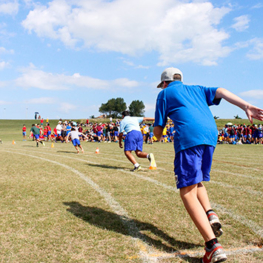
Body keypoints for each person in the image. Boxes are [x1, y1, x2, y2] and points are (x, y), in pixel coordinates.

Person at [153, 67, 263, 263]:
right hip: (211, 135)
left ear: (164, 83)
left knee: (187, 191)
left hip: (190, 137)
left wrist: (158, 135)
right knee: (197, 181)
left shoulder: (164, 93)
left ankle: (212, 246)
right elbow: (220, 90)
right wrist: (245, 105)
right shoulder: (195, 89)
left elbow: (158, 130)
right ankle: (210, 213)